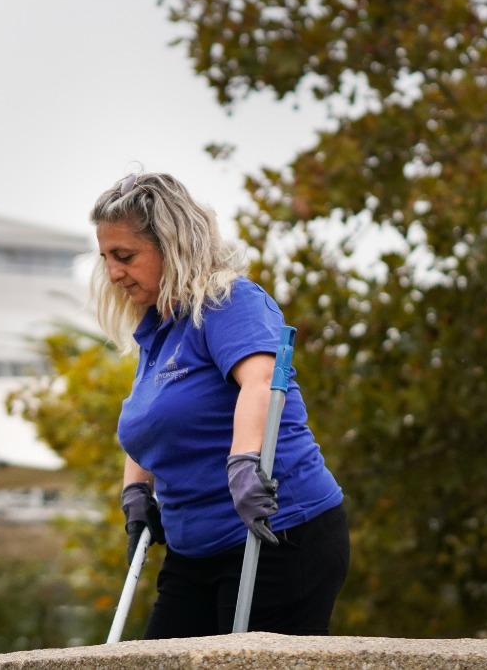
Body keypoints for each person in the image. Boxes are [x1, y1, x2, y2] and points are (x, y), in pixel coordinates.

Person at [93, 171, 348, 638]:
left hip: (276, 533)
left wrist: (244, 462)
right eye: (106, 257)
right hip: (194, 551)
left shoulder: (228, 303)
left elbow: (263, 379)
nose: (113, 273)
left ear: (171, 246)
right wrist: (137, 491)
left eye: (124, 256)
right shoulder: (158, 331)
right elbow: (154, 421)